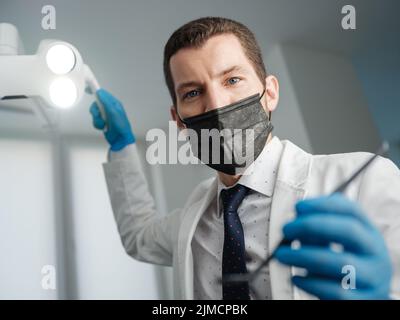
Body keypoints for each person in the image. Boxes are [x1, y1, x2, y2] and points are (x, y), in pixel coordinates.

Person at [90, 17, 400, 300]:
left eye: (232, 80)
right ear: (179, 121)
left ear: (270, 93)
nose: (216, 105)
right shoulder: (191, 221)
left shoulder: (365, 180)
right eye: (193, 93)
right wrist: (121, 146)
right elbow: (139, 237)